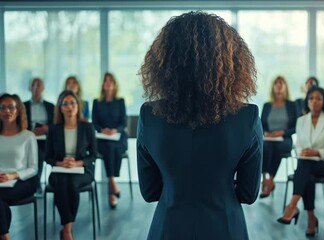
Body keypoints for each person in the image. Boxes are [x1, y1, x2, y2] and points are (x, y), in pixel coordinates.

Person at [137, 11, 262, 240]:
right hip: (226, 228)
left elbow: (149, 191)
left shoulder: (149, 115)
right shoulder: (248, 117)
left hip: (167, 229)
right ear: (232, 62)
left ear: (165, 64)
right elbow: (248, 193)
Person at [277, 87, 324, 237]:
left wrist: (316, 152)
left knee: (303, 169)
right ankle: (311, 218)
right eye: (311, 98)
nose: (314, 101)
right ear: (307, 101)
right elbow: (299, 146)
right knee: (307, 175)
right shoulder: (301, 121)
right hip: (306, 164)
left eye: (318, 98)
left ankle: (292, 206)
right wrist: (304, 152)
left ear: (323, 101)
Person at [45, 90, 97, 240]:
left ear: (78, 106)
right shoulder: (54, 129)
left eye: (72, 103)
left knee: (72, 183)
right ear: (60, 108)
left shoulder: (87, 127)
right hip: (59, 169)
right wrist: (60, 162)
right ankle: (67, 230)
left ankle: (66, 229)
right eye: (65, 104)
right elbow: (47, 157)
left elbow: (94, 155)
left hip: (82, 170)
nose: (69, 107)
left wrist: (78, 163)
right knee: (61, 182)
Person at [0, 94, 38, 240]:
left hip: (23, 181)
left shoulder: (28, 136)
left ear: (18, 110)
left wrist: (14, 175)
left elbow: (33, 168)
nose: (6, 111)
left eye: (11, 107)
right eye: (2, 107)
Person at [92, 72, 127, 209]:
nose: (107, 83)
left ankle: (111, 187)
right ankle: (113, 184)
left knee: (114, 148)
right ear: (103, 85)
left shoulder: (120, 101)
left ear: (114, 85)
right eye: (105, 81)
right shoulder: (97, 102)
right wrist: (102, 130)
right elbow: (95, 123)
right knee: (107, 147)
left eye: (110, 81)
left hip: (118, 136)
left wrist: (115, 130)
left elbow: (123, 123)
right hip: (103, 137)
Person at [260, 76, 297, 198]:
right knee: (266, 145)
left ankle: (269, 180)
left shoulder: (292, 105)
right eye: (276, 83)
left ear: (285, 86)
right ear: (273, 87)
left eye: (282, 83)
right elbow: (261, 124)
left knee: (276, 147)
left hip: (285, 139)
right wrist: (265, 133)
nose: (279, 85)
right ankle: (265, 178)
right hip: (268, 139)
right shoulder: (267, 105)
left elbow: (296, 126)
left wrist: (282, 133)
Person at [23, 77, 54, 195]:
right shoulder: (23, 106)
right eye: (34, 85)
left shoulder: (50, 106)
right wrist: (31, 131)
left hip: (46, 140)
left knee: (40, 153)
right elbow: (20, 124)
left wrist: (46, 128)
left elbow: (56, 125)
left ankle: (35, 185)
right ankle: (34, 185)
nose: (36, 88)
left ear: (43, 88)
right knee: (34, 152)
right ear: (30, 88)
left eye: (39, 85)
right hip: (28, 139)